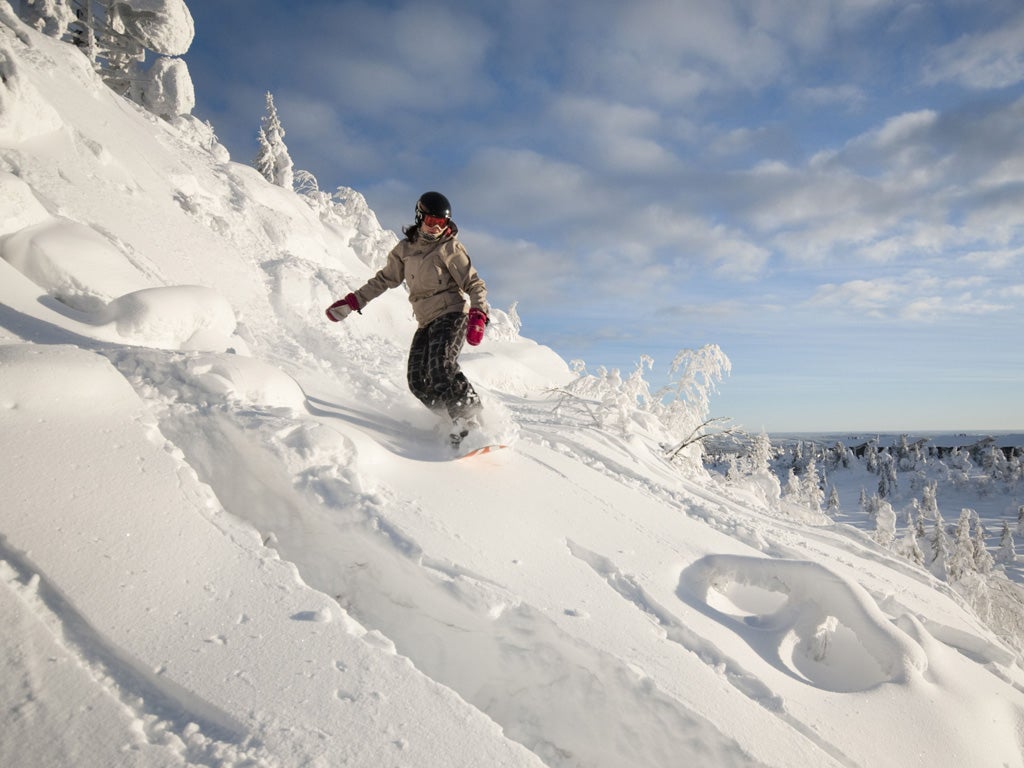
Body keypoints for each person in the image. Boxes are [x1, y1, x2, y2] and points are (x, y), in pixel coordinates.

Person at [325, 191, 490, 447]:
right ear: (419, 216)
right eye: (431, 221)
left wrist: (478, 314)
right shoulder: (405, 249)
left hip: (451, 313)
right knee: (417, 382)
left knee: (441, 368)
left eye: (441, 223)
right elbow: (384, 280)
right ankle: (451, 419)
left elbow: (474, 283)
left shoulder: (449, 248)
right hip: (426, 320)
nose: (435, 228)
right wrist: (353, 302)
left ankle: (470, 420)